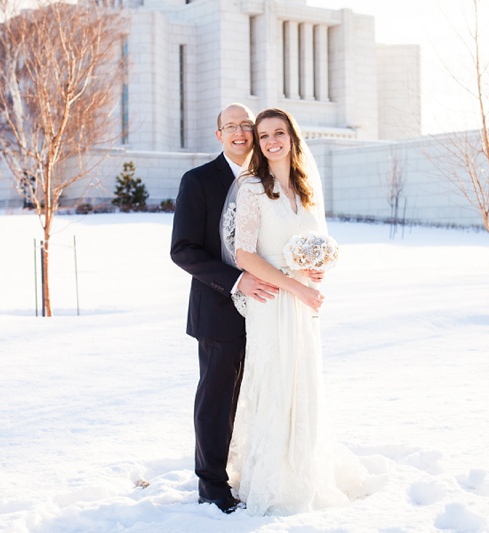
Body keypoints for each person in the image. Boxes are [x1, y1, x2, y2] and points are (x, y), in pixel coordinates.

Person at [222, 108, 367, 516]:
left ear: (292, 137)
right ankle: (271, 479)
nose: (271, 141)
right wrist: (295, 286)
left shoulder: (304, 188)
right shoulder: (251, 187)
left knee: (303, 380)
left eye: (279, 132)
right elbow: (245, 253)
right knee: (275, 381)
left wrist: (315, 266)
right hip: (272, 299)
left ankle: (305, 470)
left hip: (302, 298)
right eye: (264, 134)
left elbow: (311, 238)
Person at [170, 103, 279, 514]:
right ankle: (212, 483)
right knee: (218, 399)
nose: (240, 132)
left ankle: (253, 472)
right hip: (218, 311)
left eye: (246, 125)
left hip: (269, 309)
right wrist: (236, 280)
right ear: (218, 134)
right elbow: (182, 250)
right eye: (230, 126)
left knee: (262, 394)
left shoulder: (269, 179)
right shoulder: (198, 181)